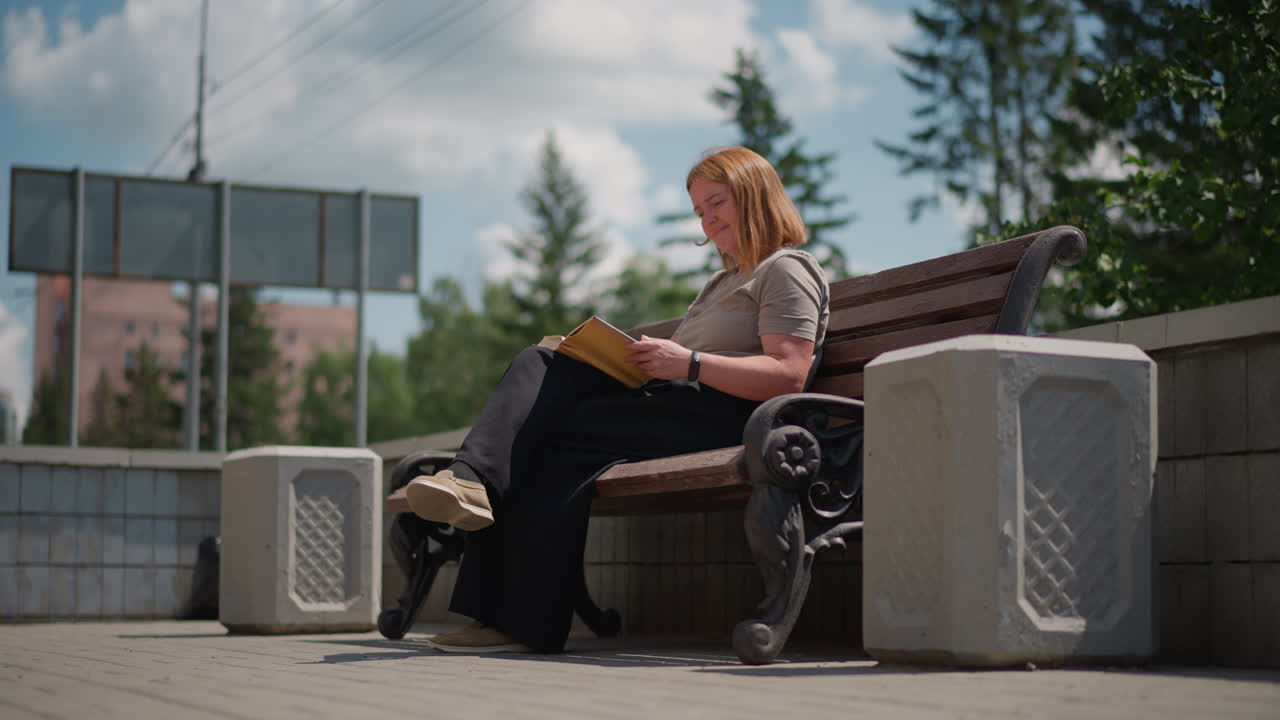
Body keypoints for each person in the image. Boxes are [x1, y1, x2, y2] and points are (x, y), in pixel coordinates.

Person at [405, 145, 831, 653]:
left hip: (729, 416)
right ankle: (513, 611)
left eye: (717, 202)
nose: (708, 220)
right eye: (699, 211)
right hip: (677, 403)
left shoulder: (786, 269)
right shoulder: (722, 281)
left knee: (538, 400)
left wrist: (688, 363)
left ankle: (472, 487)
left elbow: (788, 375)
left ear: (755, 194)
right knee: (541, 396)